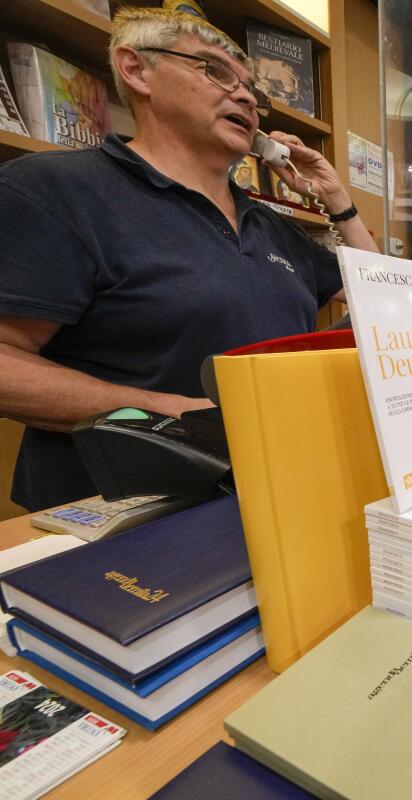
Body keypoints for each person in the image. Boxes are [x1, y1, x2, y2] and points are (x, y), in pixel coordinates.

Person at [0, 7, 377, 512]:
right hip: (121, 518)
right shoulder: (56, 190)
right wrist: (171, 412)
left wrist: (336, 198)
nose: (244, 95)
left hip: (273, 493)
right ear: (136, 69)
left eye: (252, 90)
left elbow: (385, 303)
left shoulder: (272, 227)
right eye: (215, 71)